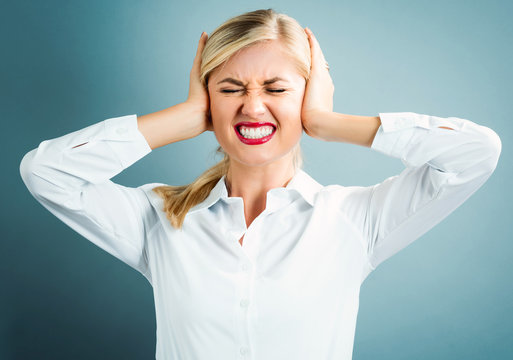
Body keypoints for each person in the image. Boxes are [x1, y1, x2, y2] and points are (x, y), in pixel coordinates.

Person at [19, 8, 501, 360]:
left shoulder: (353, 220)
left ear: (307, 95)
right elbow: (46, 173)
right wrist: (184, 118)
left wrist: (327, 121)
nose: (252, 107)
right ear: (207, 98)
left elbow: (476, 154)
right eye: (230, 88)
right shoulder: (160, 220)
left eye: (276, 89)